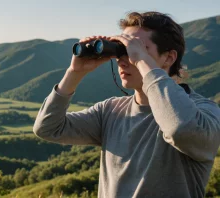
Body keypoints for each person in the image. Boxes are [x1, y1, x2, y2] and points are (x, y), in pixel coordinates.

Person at [33, 11, 220, 198]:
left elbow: (180, 129)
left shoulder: (204, 112)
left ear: (169, 58)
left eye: (137, 48)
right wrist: (74, 72)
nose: (124, 59)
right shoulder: (110, 111)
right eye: (121, 50)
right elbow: (47, 128)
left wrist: (140, 60)